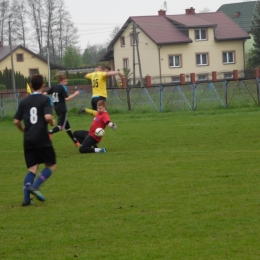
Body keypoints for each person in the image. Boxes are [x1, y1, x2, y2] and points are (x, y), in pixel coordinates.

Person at [14, 74, 57, 206]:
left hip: (28, 138)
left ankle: (26, 199)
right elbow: (48, 116)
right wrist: (52, 122)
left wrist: (23, 130)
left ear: (31, 86)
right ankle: (36, 187)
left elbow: (16, 121)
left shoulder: (23, 101)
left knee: (32, 168)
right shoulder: (45, 99)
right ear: (43, 85)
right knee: (51, 165)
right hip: (41, 137)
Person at [44, 74, 80, 146]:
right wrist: (75, 94)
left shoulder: (54, 87)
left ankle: (75, 142)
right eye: (65, 81)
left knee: (67, 126)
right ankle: (50, 132)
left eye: (67, 81)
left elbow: (45, 93)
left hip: (56, 108)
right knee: (61, 126)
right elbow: (66, 99)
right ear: (60, 81)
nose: (66, 82)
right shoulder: (62, 88)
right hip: (62, 109)